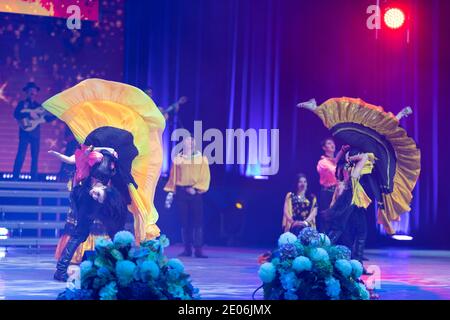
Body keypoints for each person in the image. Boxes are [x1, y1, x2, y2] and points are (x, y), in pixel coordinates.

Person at [42, 79, 165, 280]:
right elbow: (78, 159)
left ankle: (108, 268)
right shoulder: (98, 156)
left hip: (95, 196)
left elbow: (82, 160)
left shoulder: (106, 158)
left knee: (105, 231)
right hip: (91, 196)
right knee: (87, 232)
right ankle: (63, 269)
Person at [297, 97, 420, 236]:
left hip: (356, 173)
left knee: (345, 130)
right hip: (351, 179)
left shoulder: (359, 157)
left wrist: (347, 156)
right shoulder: (349, 165)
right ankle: (316, 109)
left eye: (332, 145)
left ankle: (316, 109)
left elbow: (385, 129)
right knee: (342, 223)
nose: (332, 146)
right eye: (329, 145)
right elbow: (382, 134)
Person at [164, 136, 211, 258]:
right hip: (181, 192)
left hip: (195, 193)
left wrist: (196, 189)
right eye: (186, 141)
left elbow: (205, 176)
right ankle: (187, 249)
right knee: (184, 221)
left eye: (191, 141)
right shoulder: (178, 159)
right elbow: (173, 176)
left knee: (198, 221)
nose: (189, 143)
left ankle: (198, 249)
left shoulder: (201, 159)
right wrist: (171, 191)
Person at [12, 82, 54, 180]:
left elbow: (47, 118)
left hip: (35, 134)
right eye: (30, 90)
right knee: (21, 154)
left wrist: (57, 115)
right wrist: (28, 115)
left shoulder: (38, 106)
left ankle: (33, 178)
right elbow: (16, 115)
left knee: (35, 157)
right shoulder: (22, 104)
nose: (32, 92)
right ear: (26, 92)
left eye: (34, 90)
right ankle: (15, 177)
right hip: (24, 133)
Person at [316, 137, 349, 233]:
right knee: (326, 219)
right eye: (329, 143)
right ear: (324, 147)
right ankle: (324, 243)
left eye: (333, 143)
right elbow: (333, 173)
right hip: (327, 192)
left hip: (339, 192)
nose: (332, 145)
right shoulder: (322, 163)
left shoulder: (338, 162)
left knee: (339, 219)